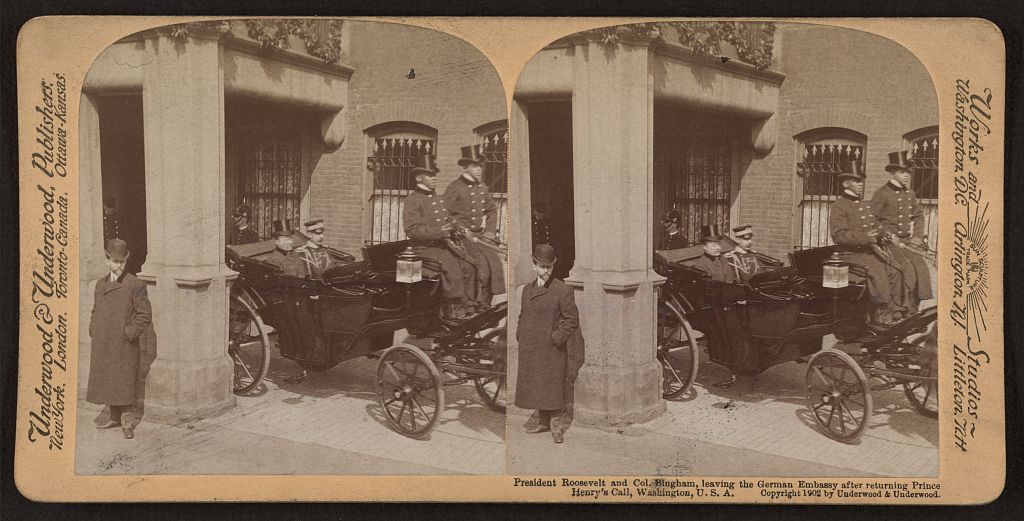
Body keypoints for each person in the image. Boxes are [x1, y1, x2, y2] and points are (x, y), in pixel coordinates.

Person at [87, 239, 152, 440]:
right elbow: (95, 309)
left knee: (124, 382)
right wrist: (93, 328)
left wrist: (128, 333)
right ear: (107, 260)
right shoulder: (100, 284)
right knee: (109, 380)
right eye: (115, 261)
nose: (119, 265)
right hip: (104, 340)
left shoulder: (135, 284)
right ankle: (113, 417)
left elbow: (144, 314)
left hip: (124, 344)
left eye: (122, 261)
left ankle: (127, 423)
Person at [402, 154, 481, 319]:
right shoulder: (413, 200)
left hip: (441, 246)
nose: (434, 179)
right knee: (452, 267)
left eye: (434, 175)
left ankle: (468, 306)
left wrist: (456, 226)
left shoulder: (437, 198)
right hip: (423, 248)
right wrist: (440, 232)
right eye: (430, 175)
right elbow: (411, 230)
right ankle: (452, 312)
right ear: (419, 177)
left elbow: (448, 218)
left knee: (469, 265)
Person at [515, 244, 579, 444]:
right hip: (530, 346)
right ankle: (542, 422)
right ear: (534, 265)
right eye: (542, 266)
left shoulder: (562, 290)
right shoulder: (527, 289)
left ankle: (556, 427)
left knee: (552, 388)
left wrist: (555, 339)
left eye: (549, 267)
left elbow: (571, 320)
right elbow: (522, 314)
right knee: (537, 386)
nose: (546, 271)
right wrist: (520, 333)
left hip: (551, 349)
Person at [828, 160, 904, 326]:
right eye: (856, 181)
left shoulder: (863, 204)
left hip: (868, 251)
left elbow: (874, 224)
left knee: (895, 269)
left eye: (861, 181)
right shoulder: (839, 206)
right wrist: (866, 237)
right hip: (850, 254)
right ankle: (880, 316)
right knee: (877, 271)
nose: (860, 184)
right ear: (846, 183)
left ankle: (896, 310)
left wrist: (883, 233)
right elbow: (839, 235)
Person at [443, 144, 507, 306]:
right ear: (465, 167)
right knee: (481, 266)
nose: (479, 169)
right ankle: (472, 305)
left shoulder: (483, 188)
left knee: (495, 265)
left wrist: (490, 232)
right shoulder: (454, 188)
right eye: (474, 166)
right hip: (462, 236)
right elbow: (445, 215)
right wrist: (460, 229)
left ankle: (485, 303)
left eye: (480, 166)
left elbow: (492, 210)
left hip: (480, 236)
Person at [870, 150, 934, 308]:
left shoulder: (909, 194)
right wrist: (886, 234)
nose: (906, 175)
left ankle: (914, 309)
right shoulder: (882, 193)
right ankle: (901, 308)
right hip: (889, 242)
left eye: (908, 172)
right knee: (906, 268)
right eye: (902, 172)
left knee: (921, 267)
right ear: (892, 173)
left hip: (907, 241)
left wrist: (917, 238)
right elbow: (871, 219)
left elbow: (919, 216)